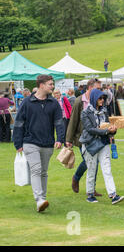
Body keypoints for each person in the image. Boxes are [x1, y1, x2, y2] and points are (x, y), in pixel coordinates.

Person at [12, 75, 65, 212]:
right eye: (50, 84)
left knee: (43, 172)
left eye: (52, 84)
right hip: (30, 142)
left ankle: (43, 198)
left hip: (48, 143)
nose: (52, 86)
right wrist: (18, 143)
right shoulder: (26, 102)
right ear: (41, 85)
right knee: (36, 170)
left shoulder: (53, 103)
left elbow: (59, 123)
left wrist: (60, 138)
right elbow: (18, 124)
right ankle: (39, 199)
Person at [79, 88, 124, 204]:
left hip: (103, 143)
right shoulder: (85, 112)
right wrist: (105, 131)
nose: (102, 100)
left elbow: (107, 125)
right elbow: (89, 129)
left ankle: (113, 195)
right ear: (94, 98)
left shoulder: (104, 111)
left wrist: (113, 130)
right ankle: (90, 194)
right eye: (100, 98)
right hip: (90, 144)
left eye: (103, 98)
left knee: (107, 168)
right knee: (92, 169)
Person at [67, 79, 103, 197]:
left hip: (96, 136)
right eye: (97, 89)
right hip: (82, 138)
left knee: (95, 162)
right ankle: (76, 178)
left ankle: (92, 188)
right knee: (90, 161)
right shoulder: (79, 101)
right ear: (89, 88)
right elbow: (73, 120)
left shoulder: (98, 101)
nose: (99, 92)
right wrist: (69, 139)